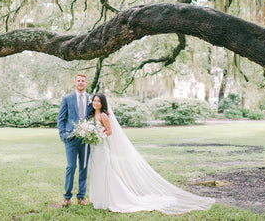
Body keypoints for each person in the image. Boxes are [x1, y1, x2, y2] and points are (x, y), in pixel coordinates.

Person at [88, 93, 215, 214]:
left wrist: (98, 135)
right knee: (96, 172)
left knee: (104, 171)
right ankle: (98, 199)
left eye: (98, 101)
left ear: (102, 103)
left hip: (101, 148)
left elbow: (109, 131)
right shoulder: (93, 116)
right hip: (94, 148)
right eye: (94, 100)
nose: (96, 103)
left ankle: (108, 199)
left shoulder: (104, 116)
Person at [57, 73, 92, 207]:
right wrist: (63, 135)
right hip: (71, 139)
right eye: (78, 81)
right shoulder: (67, 98)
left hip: (86, 140)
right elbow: (61, 118)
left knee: (83, 167)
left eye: (83, 81)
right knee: (71, 166)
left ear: (86, 83)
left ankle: (81, 196)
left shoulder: (90, 98)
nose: (81, 83)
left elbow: (94, 117)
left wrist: (92, 133)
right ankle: (67, 196)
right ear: (75, 82)